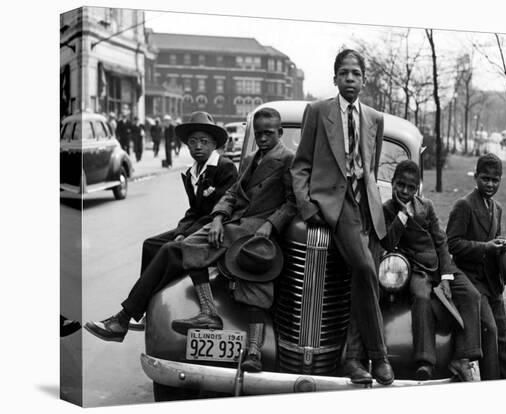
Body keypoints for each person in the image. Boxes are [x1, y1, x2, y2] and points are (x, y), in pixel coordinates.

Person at [85, 108, 296, 372]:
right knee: (180, 248)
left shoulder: (288, 159)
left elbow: (291, 202)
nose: (263, 138)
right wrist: (218, 217)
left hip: (253, 232)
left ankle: (125, 318)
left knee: (179, 250)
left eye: (269, 134)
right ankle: (157, 315)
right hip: (232, 225)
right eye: (259, 133)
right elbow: (232, 194)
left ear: (280, 133)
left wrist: (269, 224)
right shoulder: (252, 158)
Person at [290, 49, 393, 385]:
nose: (350, 79)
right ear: (335, 77)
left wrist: (373, 203)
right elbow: (301, 164)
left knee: (363, 280)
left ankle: (353, 358)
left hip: (368, 209)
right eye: (344, 73)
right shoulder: (319, 112)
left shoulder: (374, 118)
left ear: (364, 79)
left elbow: (371, 167)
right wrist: (308, 207)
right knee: (365, 270)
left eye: (356, 73)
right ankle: (379, 358)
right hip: (337, 203)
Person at [128, 112, 238, 330]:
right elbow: (193, 211)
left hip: (217, 230)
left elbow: (220, 211)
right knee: (150, 245)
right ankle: (144, 311)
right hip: (197, 226)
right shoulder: (192, 172)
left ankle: (130, 311)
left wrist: (184, 235)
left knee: (170, 248)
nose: (198, 147)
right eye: (193, 142)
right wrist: (181, 229)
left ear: (214, 144)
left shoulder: (225, 168)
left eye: (204, 142)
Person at [382, 160, 481, 381]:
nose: (405, 191)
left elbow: (441, 241)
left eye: (411, 187)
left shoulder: (427, 206)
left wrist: (446, 276)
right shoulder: (388, 210)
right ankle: (425, 360)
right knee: (421, 297)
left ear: (418, 188)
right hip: (417, 268)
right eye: (401, 185)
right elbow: (388, 243)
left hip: (440, 267)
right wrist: (402, 215)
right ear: (393, 184)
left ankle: (463, 357)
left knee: (471, 295)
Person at [446, 153, 506, 380]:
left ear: (500, 180)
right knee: (490, 330)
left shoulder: (496, 208)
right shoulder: (464, 205)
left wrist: (500, 243)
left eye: (495, 180)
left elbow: (491, 238)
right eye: (485, 178)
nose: (490, 184)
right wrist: (485, 247)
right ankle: (491, 384)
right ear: (476, 177)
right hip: (471, 281)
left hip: (492, 281)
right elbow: (452, 243)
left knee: (503, 336)